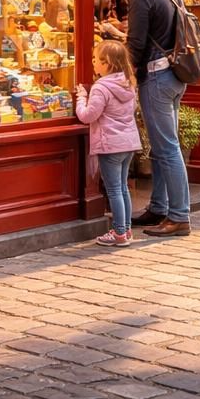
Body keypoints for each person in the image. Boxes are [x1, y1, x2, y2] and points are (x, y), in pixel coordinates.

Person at [116, 0, 193, 237]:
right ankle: (160, 207)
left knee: (167, 148)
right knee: (164, 147)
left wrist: (127, 78)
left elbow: (136, 44)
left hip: (157, 78)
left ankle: (179, 216)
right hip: (174, 76)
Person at [75, 40, 142, 246]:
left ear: (107, 63)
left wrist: (81, 98)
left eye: (95, 60)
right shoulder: (128, 83)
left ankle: (119, 233)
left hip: (110, 145)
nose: (93, 64)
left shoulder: (101, 87)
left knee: (114, 189)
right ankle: (127, 230)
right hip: (128, 143)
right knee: (122, 188)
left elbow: (87, 116)